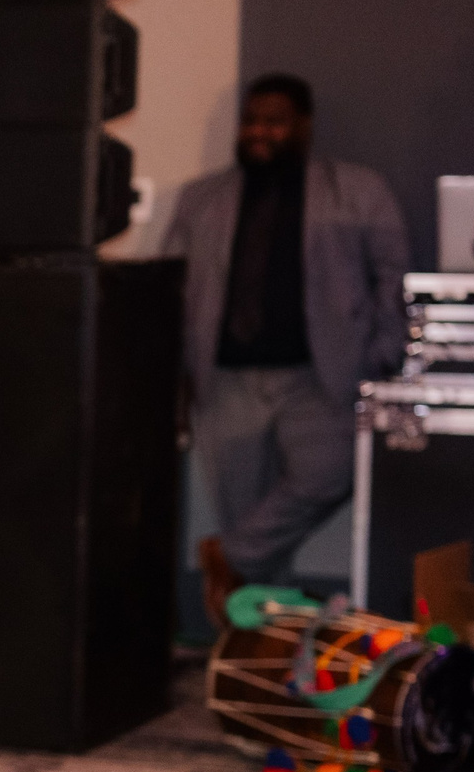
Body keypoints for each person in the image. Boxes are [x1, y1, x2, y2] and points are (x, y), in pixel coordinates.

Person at [164, 73, 408, 619]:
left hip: (319, 375)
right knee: (244, 510)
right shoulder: (201, 198)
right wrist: (175, 377)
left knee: (334, 474)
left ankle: (226, 556)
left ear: (302, 125)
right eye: (250, 120)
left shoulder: (356, 188)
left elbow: (393, 274)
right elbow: (172, 290)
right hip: (226, 380)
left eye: (273, 121)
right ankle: (254, 659)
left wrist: (381, 355)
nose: (258, 132)